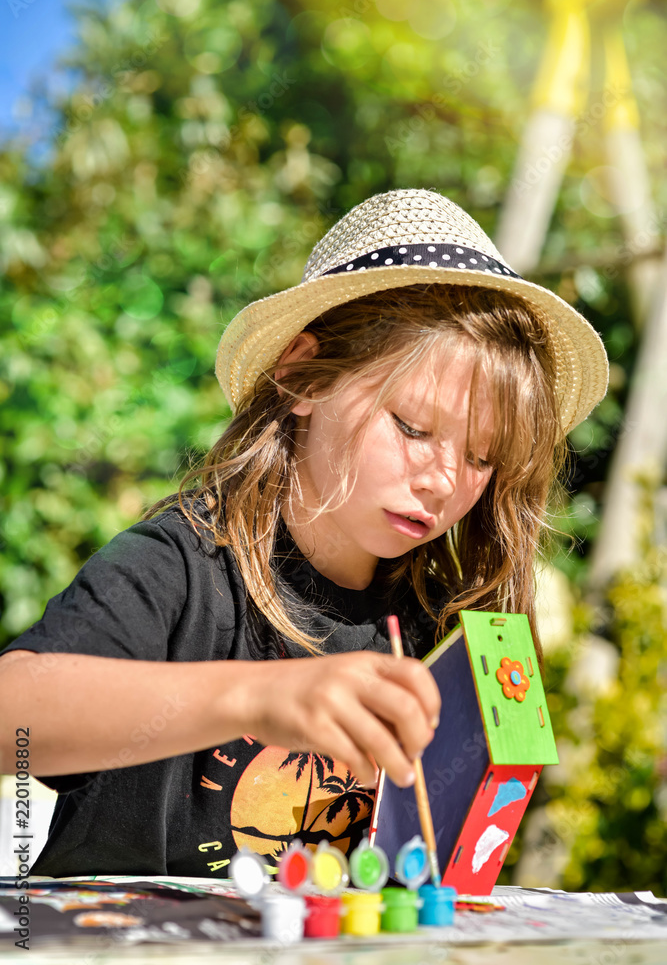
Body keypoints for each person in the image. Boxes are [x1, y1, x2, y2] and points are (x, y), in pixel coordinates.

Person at [0, 188, 608, 878]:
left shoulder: (441, 626)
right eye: (412, 427)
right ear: (300, 378)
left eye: (481, 457)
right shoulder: (184, 567)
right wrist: (258, 698)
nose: (444, 480)